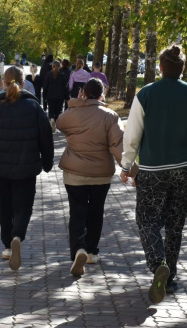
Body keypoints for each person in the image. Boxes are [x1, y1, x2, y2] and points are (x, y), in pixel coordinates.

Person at [120, 44, 187, 304]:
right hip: (184, 169)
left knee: (147, 220)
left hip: (152, 170)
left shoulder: (146, 94)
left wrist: (126, 165)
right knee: (175, 225)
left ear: (160, 67)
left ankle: (158, 263)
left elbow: (132, 134)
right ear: (183, 68)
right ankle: (169, 278)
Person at [0, 66, 54, 271]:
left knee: (4, 207)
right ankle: (17, 236)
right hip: (27, 168)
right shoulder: (34, 107)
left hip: (1, 169)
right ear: (24, 84)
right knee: (24, 207)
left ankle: (8, 246)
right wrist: (47, 162)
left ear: (4, 83)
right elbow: (46, 138)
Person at [56, 78, 124, 276]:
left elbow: (60, 123)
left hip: (74, 174)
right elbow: (117, 145)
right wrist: (130, 168)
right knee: (96, 211)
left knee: (77, 212)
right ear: (102, 95)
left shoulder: (72, 114)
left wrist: (77, 103)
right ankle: (92, 252)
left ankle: (79, 249)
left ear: (83, 93)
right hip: (101, 175)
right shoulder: (110, 116)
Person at [43, 60, 67, 132]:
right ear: (60, 66)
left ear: (52, 66)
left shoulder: (48, 74)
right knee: (58, 111)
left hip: (50, 95)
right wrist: (66, 97)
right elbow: (65, 87)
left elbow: (45, 86)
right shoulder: (63, 75)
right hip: (60, 96)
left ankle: (52, 120)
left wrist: (44, 96)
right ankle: (56, 124)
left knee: (51, 110)